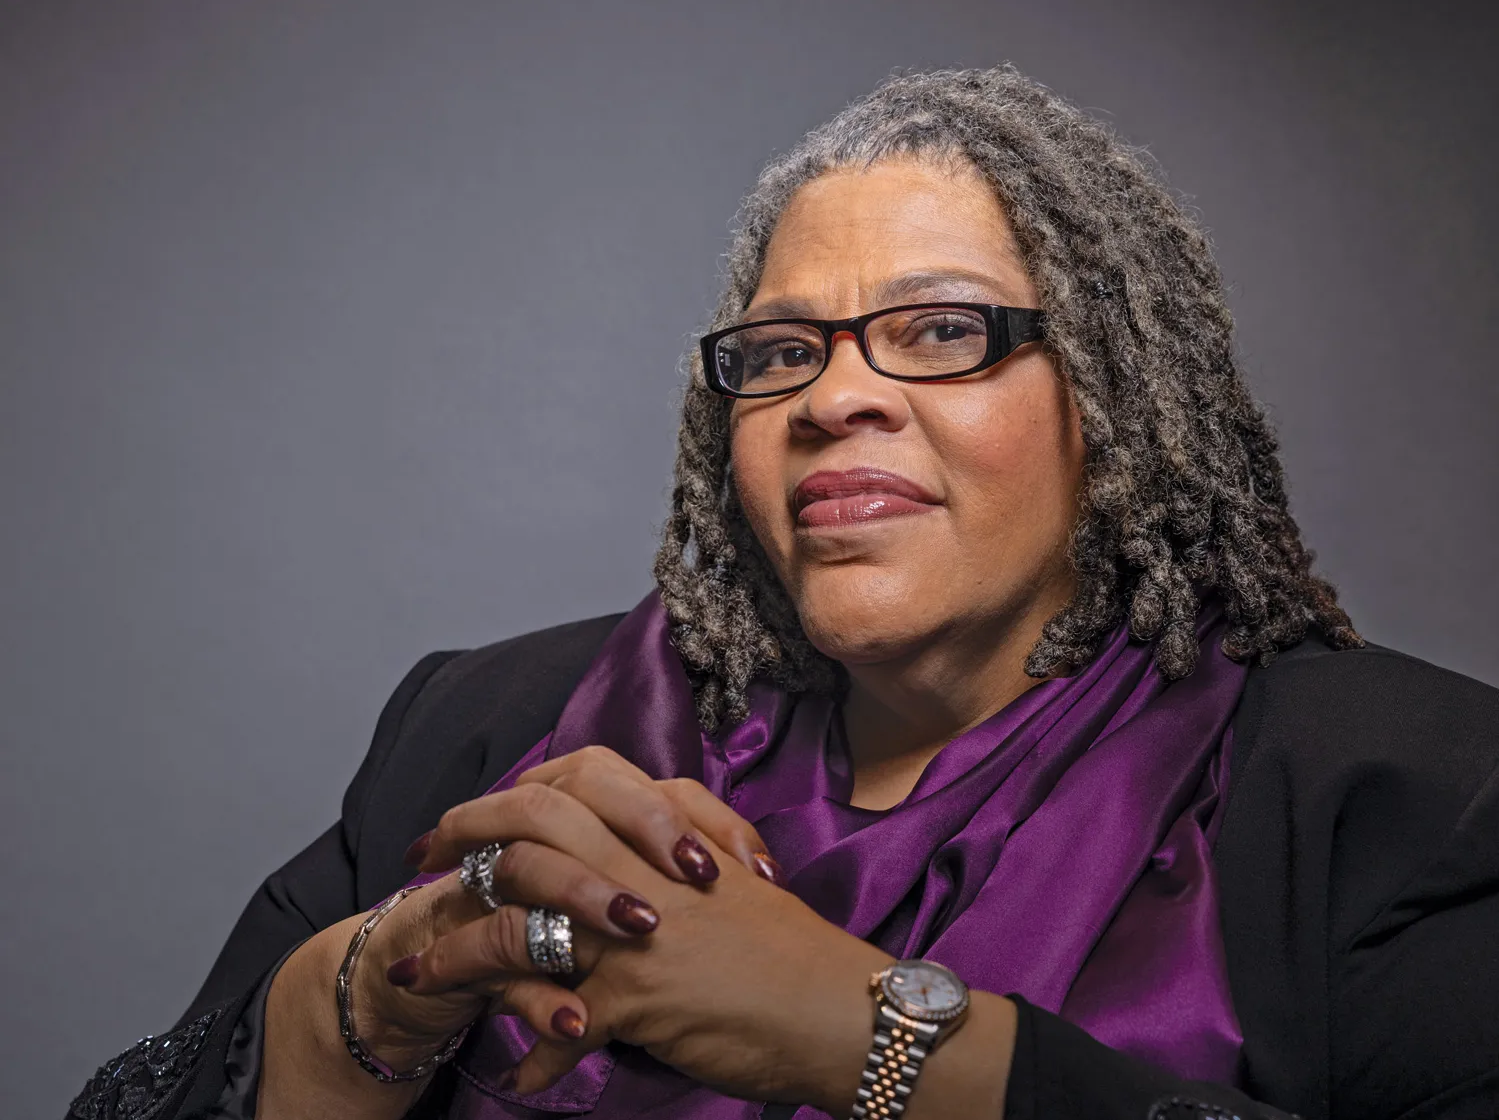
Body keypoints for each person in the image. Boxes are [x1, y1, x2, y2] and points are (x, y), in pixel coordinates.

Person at [69, 66, 1498, 1120]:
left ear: (1117, 401)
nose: (836, 397)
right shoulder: (490, 731)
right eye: (779, 353)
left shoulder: (1401, 796)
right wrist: (368, 999)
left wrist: (865, 1033)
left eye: (939, 330)